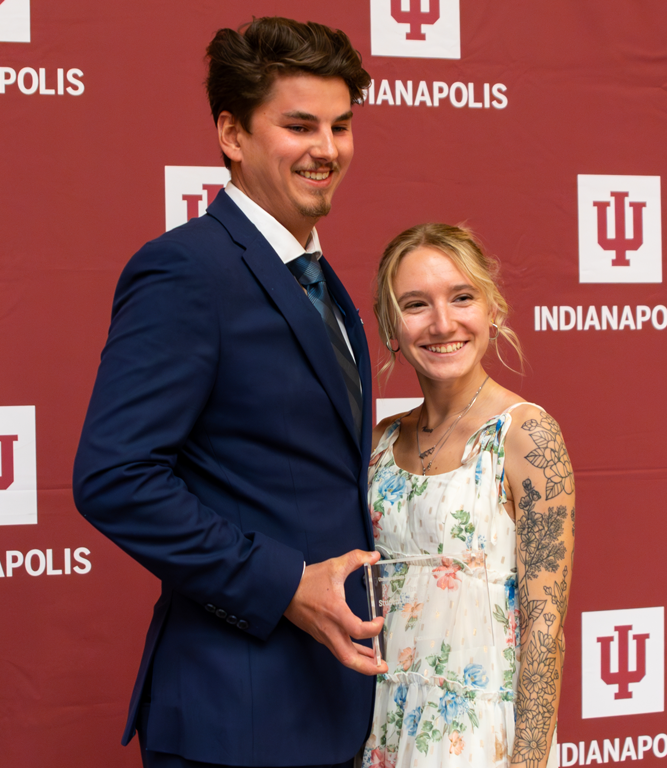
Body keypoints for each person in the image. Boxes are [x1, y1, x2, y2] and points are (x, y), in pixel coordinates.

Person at [73, 17, 386, 768]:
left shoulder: (322, 281)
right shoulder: (187, 271)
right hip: (233, 718)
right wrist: (284, 585)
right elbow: (114, 477)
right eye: (299, 125)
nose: (327, 149)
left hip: (328, 711)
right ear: (232, 133)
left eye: (341, 126)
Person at [363, 224, 575, 768]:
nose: (442, 323)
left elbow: (545, 630)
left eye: (462, 297)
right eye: (415, 305)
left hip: (483, 738)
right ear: (392, 327)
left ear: (492, 309)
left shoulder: (526, 435)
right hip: (386, 728)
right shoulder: (381, 441)